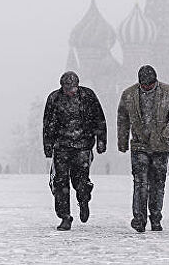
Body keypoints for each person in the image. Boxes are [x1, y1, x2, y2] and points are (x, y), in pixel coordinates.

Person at [117, 65, 169, 233]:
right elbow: (123, 119)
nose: (146, 88)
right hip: (139, 145)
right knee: (140, 183)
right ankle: (139, 219)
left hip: (160, 147)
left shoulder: (168, 92)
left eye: (149, 85)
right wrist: (122, 142)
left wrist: (165, 135)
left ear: (155, 81)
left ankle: (155, 217)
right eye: (143, 86)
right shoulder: (129, 94)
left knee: (157, 185)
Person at [43, 71, 107, 231]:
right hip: (62, 146)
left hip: (83, 145)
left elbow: (99, 118)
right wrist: (48, 145)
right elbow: (48, 123)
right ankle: (65, 216)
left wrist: (101, 140)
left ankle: (84, 198)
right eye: (67, 88)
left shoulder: (88, 96)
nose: (70, 91)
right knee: (60, 182)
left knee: (80, 180)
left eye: (73, 88)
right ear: (62, 87)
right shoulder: (54, 99)